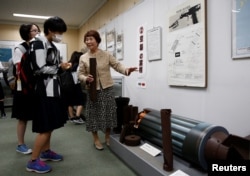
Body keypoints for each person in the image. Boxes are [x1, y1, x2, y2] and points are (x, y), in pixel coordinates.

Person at [78, 30, 137, 150]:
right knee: (93, 114)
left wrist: (126, 70)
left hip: (107, 88)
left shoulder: (106, 54)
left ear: (97, 41)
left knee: (109, 113)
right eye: (87, 39)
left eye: (91, 39)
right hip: (93, 89)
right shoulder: (83, 57)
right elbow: (80, 74)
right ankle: (96, 139)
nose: (88, 42)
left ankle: (108, 136)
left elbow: (117, 65)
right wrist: (85, 78)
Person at [26, 16, 70, 173]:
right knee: (45, 127)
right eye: (59, 32)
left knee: (50, 124)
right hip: (44, 90)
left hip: (53, 90)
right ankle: (33, 161)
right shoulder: (38, 43)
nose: (61, 35)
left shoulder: (52, 45)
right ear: (50, 30)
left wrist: (61, 66)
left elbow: (52, 65)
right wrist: (60, 68)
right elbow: (38, 68)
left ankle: (46, 152)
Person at [10, 23, 40, 154]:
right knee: (23, 117)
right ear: (27, 33)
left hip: (36, 87)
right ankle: (20, 144)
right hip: (23, 88)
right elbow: (19, 69)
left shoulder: (37, 47)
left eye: (38, 30)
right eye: (34, 30)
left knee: (37, 115)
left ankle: (42, 143)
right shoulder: (20, 48)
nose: (37, 32)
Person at [63, 51, 86, 124]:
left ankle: (72, 117)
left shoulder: (68, 64)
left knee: (70, 102)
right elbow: (77, 78)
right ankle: (77, 117)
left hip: (66, 86)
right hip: (75, 85)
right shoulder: (78, 65)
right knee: (81, 101)